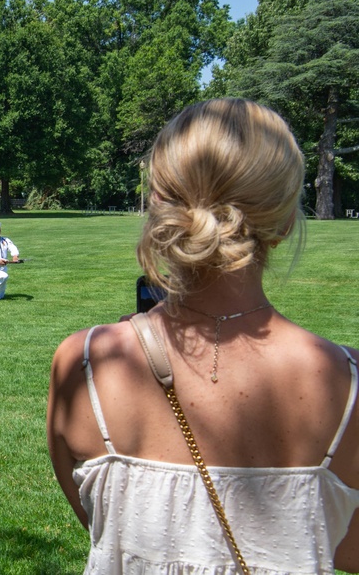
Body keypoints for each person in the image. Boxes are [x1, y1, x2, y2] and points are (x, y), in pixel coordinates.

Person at [46, 99, 359, 573]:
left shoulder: (84, 363)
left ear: (157, 205)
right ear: (286, 219)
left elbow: (104, 529)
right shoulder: (348, 384)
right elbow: (345, 551)